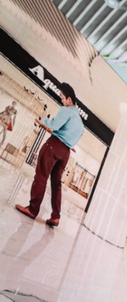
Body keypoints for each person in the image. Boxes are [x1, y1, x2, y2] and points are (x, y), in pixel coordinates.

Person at [15, 83, 84, 227]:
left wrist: (44, 119)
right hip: (66, 152)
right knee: (56, 183)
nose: (61, 100)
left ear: (69, 99)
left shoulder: (66, 110)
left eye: (62, 97)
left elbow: (54, 125)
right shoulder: (80, 124)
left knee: (41, 176)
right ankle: (55, 216)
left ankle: (32, 210)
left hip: (54, 145)